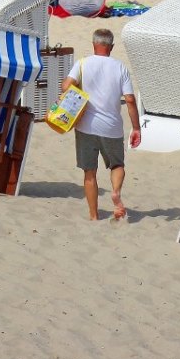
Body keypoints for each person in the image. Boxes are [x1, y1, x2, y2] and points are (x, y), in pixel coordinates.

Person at [60, 28, 141, 221]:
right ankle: (115, 192)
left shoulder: (82, 63)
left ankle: (94, 215)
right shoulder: (120, 67)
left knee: (90, 173)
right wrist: (136, 128)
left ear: (93, 44)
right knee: (117, 165)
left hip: (85, 126)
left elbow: (65, 86)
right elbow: (129, 99)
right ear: (111, 47)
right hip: (111, 127)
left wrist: (81, 94)